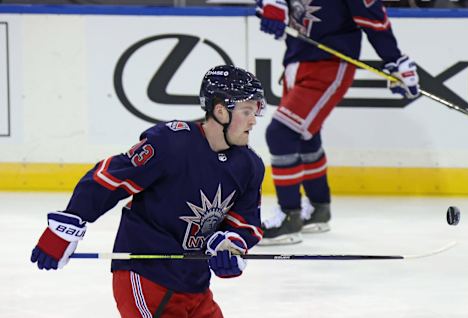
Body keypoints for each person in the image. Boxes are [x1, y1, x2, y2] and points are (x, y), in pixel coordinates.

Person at [30, 65, 266, 318]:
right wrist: (68, 224)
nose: (254, 120)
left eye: (255, 112)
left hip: (195, 285)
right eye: (247, 111)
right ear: (221, 111)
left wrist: (230, 246)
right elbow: (113, 177)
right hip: (146, 277)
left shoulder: (249, 166)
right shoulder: (173, 142)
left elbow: (245, 222)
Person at [256, 0, 420, 245]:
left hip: (329, 65)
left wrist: (394, 60)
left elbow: (374, 18)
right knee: (304, 135)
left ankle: (289, 217)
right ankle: (318, 208)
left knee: (281, 133)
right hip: (295, 59)